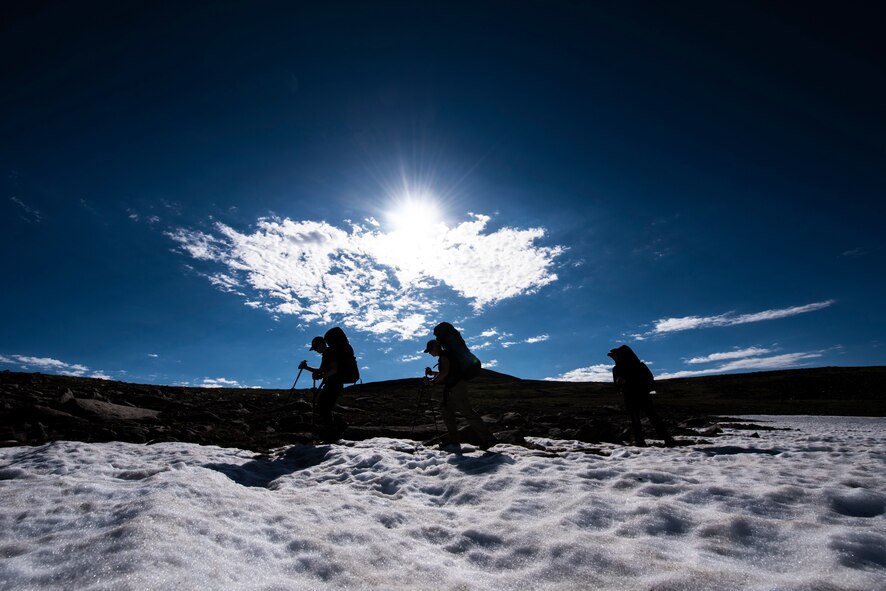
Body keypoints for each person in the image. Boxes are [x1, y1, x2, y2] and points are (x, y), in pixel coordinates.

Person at [424, 339, 497, 452]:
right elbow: (447, 372)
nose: (429, 353)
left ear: (435, 347)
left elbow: (445, 373)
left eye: (430, 350)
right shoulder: (446, 355)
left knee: (467, 412)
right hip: (453, 388)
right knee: (447, 411)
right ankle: (454, 441)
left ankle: (488, 439)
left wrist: (432, 382)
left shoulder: (444, 356)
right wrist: (432, 374)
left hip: (456, 388)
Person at [607, 344, 676, 447]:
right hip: (630, 397)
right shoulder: (617, 369)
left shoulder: (639, 366)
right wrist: (618, 383)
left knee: (652, 417)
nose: (613, 359)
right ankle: (640, 442)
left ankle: (667, 439)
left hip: (642, 395)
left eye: (615, 356)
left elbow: (649, 380)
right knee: (636, 420)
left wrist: (628, 381)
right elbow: (617, 386)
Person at [301, 336, 346, 443]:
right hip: (332, 384)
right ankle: (336, 431)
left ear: (322, 344)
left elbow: (334, 370)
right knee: (324, 408)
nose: (316, 350)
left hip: (334, 385)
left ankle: (332, 436)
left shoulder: (330, 352)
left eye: (316, 348)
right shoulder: (326, 354)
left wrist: (321, 376)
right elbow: (322, 370)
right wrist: (307, 368)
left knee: (324, 408)